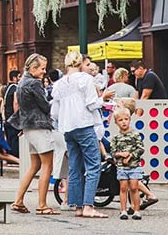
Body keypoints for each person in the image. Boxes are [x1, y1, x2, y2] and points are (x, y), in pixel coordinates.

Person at [51, 50, 108, 218]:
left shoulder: (59, 84)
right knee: (93, 165)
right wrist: (102, 100)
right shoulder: (85, 80)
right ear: (80, 62)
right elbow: (91, 104)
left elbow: (54, 112)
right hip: (83, 124)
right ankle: (88, 205)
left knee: (74, 168)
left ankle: (76, 206)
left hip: (67, 128)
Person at [9, 53, 58, 216]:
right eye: (42, 68)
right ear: (33, 68)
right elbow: (44, 105)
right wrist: (54, 102)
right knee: (47, 165)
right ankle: (42, 205)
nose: (44, 72)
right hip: (39, 126)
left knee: (34, 166)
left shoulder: (21, 82)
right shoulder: (35, 83)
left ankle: (18, 200)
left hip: (28, 127)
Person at [110, 107, 144, 220]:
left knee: (134, 187)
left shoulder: (135, 135)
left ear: (130, 120)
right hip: (121, 167)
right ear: (116, 122)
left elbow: (140, 148)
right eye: (120, 120)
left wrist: (130, 155)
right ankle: (123, 210)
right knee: (123, 188)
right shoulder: (116, 137)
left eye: (126, 119)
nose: (124, 122)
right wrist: (120, 154)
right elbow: (113, 152)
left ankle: (136, 210)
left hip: (134, 166)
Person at [1, 70, 21, 158]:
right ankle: (15, 157)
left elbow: (3, 102)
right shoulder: (15, 88)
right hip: (13, 118)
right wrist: (17, 116)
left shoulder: (6, 88)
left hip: (7, 117)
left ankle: (10, 158)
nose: (21, 79)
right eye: (19, 76)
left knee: (9, 139)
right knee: (14, 139)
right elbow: (16, 102)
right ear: (14, 78)